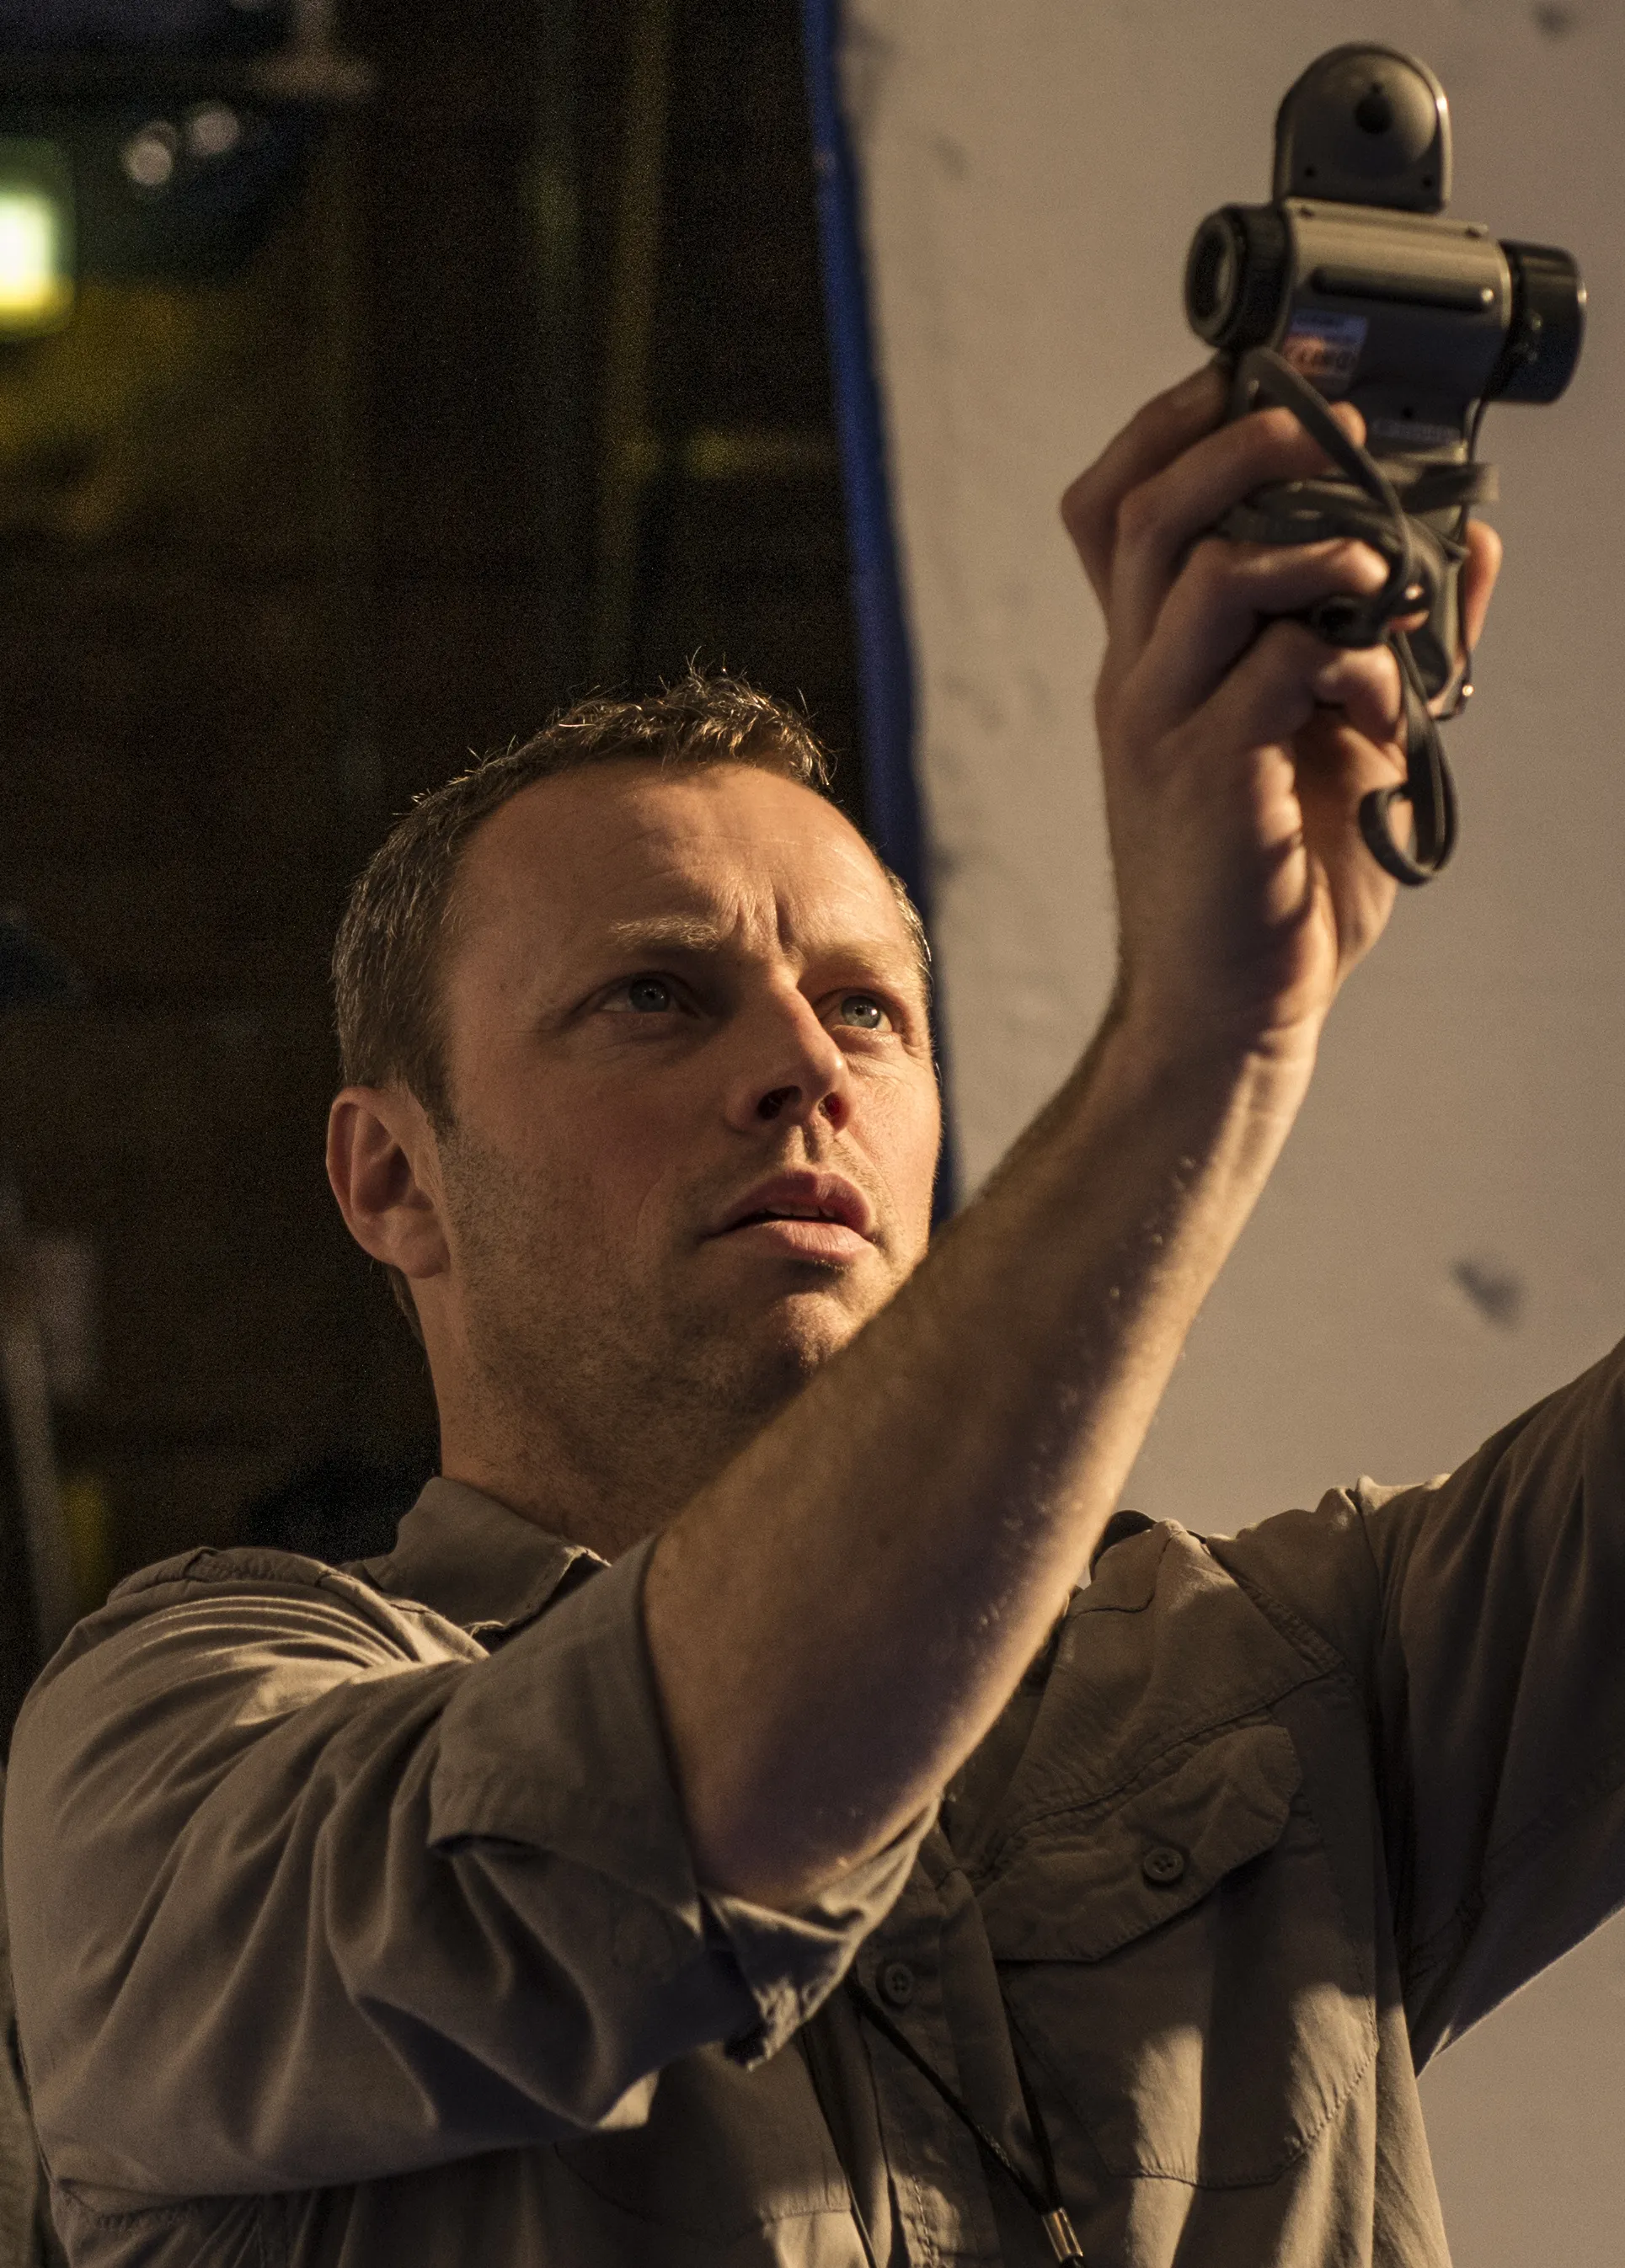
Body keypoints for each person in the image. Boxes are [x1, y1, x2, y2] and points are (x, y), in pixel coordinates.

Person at [10, 361, 1612, 2268]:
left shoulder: (1264, 1668)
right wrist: (1199, 1047)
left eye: (866, 1008)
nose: (805, 1066)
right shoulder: (178, 1746)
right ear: (390, 1179)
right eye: (655, 997)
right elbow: (692, 1809)